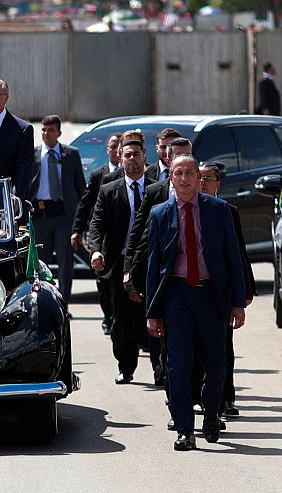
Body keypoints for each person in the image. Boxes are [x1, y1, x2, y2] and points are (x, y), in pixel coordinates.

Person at [145, 154, 246, 451]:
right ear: (171, 178)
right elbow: (153, 265)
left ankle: (212, 412)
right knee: (178, 363)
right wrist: (152, 311)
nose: (185, 179)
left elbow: (233, 258)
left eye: (190, 173)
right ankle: (184, 429)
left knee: (215, 362)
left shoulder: (218, 210)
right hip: (176, 295)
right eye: (178, 173)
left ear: (199, 178)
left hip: (211, 294)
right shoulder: (159, 214)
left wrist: (238, 303)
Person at [123, 137, 194, 387]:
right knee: (161, 330)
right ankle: (161, 370)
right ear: (168, 158)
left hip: (194, 277)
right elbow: (139, 233)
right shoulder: (155, 191)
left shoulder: (201, 190)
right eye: (177, 156)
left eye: (188, 155)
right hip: (163, 275)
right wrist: (129, 268)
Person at [88, 140, 155, 385]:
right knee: (121, 320)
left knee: (152, 315)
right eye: (128, 155)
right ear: (120, 158)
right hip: (118, 263)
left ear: (145, 157)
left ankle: (160, 369)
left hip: (149, 262)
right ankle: (126, 367)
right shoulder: (109, 190)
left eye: (136, 154)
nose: (132, 159)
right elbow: (97, 224)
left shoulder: (156, 189)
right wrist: (96, 251)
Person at [196, 161, 255, 418]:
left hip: (222, 291)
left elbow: (238, 253)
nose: (202, 183)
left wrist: (245, 290)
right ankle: (199, 396)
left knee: (223, 347)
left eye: (207, 179)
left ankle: (226, 397)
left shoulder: (227, 211)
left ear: (217, 184)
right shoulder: (186, 209)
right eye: (199, 178)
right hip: (195, 289)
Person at [29, 115, 85, 305]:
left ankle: (63, 304)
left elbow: (80, 186)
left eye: (51, 130)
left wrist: (82, 216)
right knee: (40, 262)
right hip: (40, 214)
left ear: (59, 133)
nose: (46, 134)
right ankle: (41, 302)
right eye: (44, 130)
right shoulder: (34, 154)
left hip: (64, 214)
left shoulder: (70, 154)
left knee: (65, 262)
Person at [71, 132, 121, 335]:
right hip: (102, 236)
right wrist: (76, 230)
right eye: (112, 147)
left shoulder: (132, 174)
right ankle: (109, 317)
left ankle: (120, 320)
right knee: (103, 281)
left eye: (119, 146)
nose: (116, 151)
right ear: (108, 150)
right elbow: (85, 204)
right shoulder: (98, 175)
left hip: (122, 237)